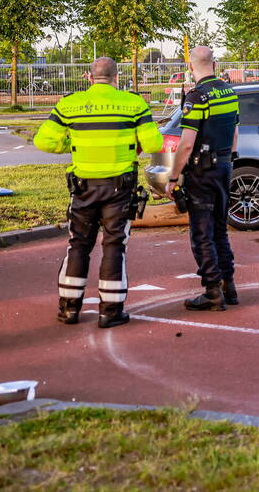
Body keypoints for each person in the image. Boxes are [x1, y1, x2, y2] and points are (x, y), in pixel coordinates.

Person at [34, 57, 163, 328]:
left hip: (83, 187)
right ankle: (111, 312)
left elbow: (43, 141)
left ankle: (69, 309)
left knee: (78, 244)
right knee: (114, 245)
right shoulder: (134, 104)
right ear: (117, 77)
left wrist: (73, 144)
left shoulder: (69, 105)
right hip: (119, 187)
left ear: (88, 77)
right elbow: (153, 143)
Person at [165, 46, 240, 312]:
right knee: (220, 229)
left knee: (202, 233)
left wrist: (173, 177)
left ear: (190, 66)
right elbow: (234, 133)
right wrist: (228, 160)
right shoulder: (229, 92)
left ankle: (212, 292)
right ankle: (228, 286)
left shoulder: (197, 97)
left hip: (202, 172)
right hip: (224, 167)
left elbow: (186, 144)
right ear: (215, 65)